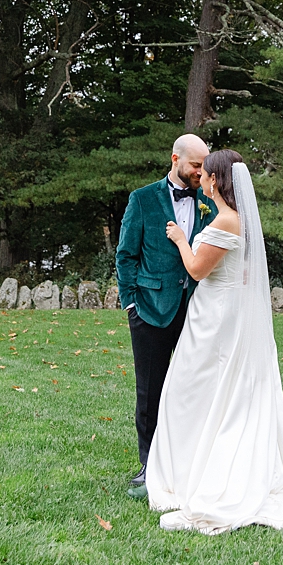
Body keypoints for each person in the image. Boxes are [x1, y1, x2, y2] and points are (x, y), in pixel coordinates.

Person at [143, 149, 283, 534]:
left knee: (185, 392)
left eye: (205, 174)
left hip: (214, 320)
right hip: (221, 311)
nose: (201, 179)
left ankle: (194, 475)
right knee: (207, 392)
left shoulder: (226, 221)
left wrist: (178, 239)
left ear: (217, 181)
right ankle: (196, 464)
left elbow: (197, 269)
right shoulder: (237, 221)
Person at [115, 134, 214, 494]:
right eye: (195, 166)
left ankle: (187, 463)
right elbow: (126, 255)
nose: (201, 173)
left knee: (192, 389)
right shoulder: (142, 199)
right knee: (151, 390)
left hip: (198, 311)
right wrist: (131, 303)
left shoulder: (209, 199)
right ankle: (148, 465)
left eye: (204, 167)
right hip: (150, 310)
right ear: (175, 159)